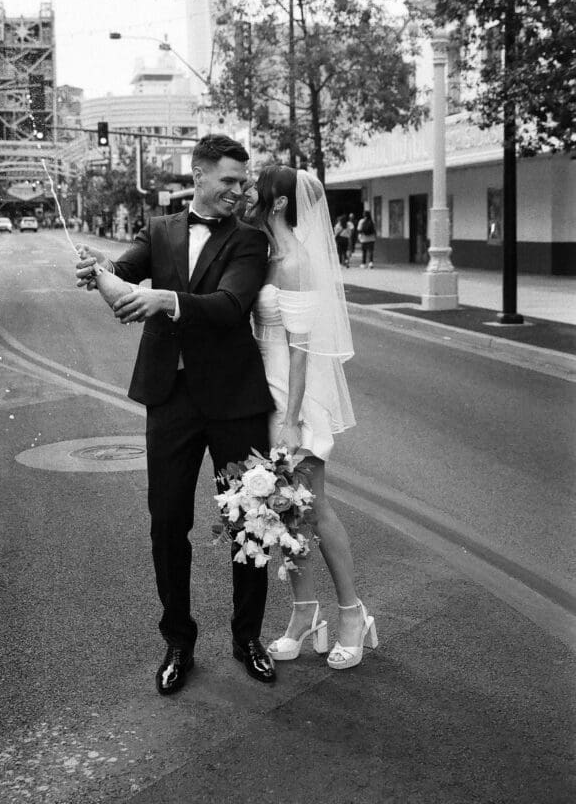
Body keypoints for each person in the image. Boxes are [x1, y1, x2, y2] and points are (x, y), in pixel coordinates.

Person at [75, 135, 276, 696]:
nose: (240, 190)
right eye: (230, 181)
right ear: (200, 175)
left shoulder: (249, 241)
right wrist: (98, 269)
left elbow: (231, 307)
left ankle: (247, 638)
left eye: (244, 181)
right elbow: (121, 269)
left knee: (249, 522)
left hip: (235, 401)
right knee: (167, 521)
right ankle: (178, 642)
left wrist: (165, 300)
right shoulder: (160, 231)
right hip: (170, 397)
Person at [249, 165, 377, 670]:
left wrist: (291, 420)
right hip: (265, 393)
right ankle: (304, 615)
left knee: (315, 507)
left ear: (277, 203)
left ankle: (352, 614)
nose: (245, 197)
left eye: (254, 192)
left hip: (294, 399)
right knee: (284, 511)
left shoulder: (296, 261)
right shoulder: (263, 254)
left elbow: (300, 351)